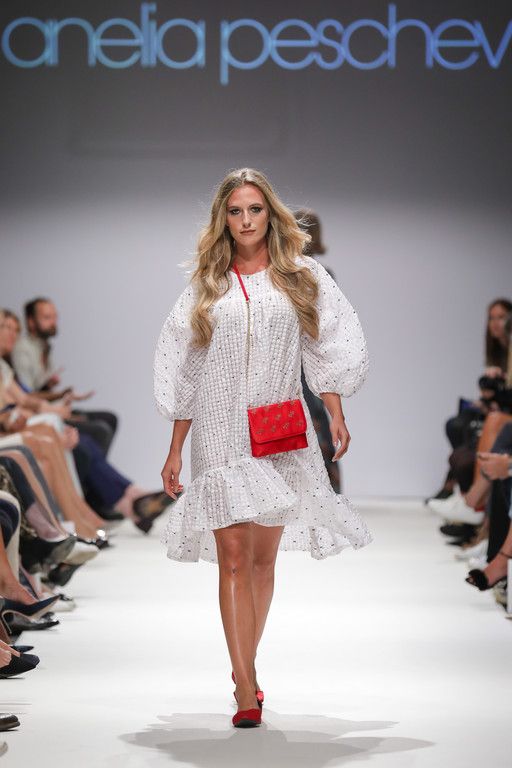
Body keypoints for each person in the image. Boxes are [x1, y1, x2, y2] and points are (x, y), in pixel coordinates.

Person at [153, 168, 372, 729]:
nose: (246, 220)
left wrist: (335, 410)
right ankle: (245, 684)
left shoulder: (300, 275)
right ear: (222, 219)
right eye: (235, 211)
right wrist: (175, 448)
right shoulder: (206, 284)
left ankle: (245, 666)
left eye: (254, 209)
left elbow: (325, 343)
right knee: (231, 557)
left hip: (278, 428)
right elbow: (185, 368)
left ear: (270, 215)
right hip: (220, 429)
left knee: (262, 561)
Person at [11, 297, 118, 457]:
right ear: (31, 322)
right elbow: (26, 396)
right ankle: (96, 470)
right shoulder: (22, 350)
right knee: (100, 430)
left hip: (51, 408)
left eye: (55, 317)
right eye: (47, 317)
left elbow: (37, 389)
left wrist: (58, 393)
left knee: (110, 419)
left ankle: (98, 469)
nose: (54, 322)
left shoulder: (45, 347)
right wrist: (59, 399)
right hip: (41, 413)